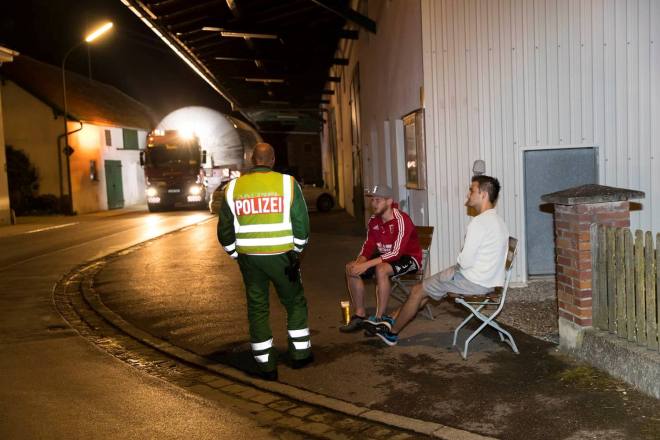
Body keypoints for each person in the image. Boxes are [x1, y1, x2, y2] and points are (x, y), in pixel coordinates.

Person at [375, 175, 509, 346]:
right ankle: (393, 318)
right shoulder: (499, 222)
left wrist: (460, 260)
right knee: (426, 288)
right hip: (486, 280)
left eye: (472, 190)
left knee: (417, 291)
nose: (468, 194)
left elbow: (465, 261)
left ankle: (391, 334)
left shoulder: (479, 223)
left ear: (483, 194)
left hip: (472, 281)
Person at [217, 143, 312, 380]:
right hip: (282, 257)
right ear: (273, 160)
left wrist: (235, 254)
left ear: (252, 160)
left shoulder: (233, 188)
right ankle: (300, 355)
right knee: (294, 302)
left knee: (257, 308)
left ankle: (266, 364)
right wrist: (296, 252)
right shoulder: (287, 184)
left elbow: (224, 231)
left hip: (250, 259)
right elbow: (302, 225)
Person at [341, 184, 422, 333]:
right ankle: (359, 315)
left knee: (381, 269)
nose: (373, 203)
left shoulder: (401, 220)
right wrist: (359, 262)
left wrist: (366, 265)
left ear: (389, 201)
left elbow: (396, 253)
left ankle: (379, 318)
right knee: (350, 267)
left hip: (408, 257)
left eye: (378, 200)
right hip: (386, 256)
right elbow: (368, 246)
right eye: (372, 200)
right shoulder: (374, 220)